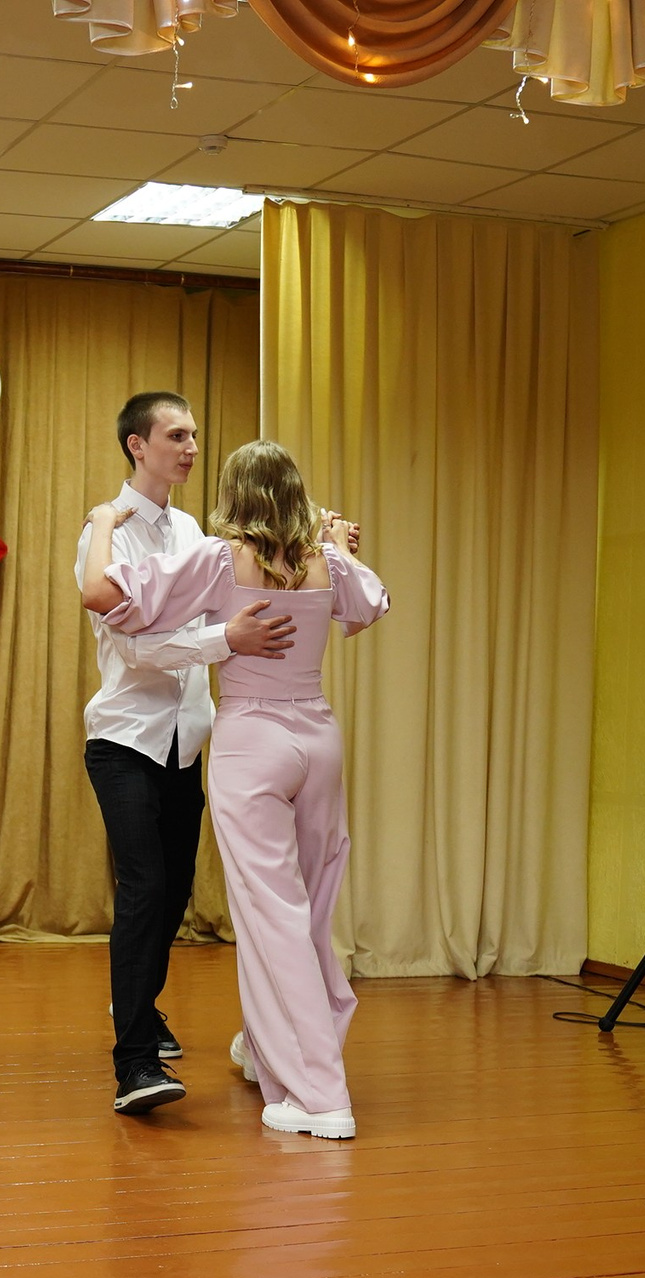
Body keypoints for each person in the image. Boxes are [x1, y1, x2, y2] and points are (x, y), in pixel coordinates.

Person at [78, 440, 387, 1140]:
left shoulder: (221, 558)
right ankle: (264, 1046)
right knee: (310, 906)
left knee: (270, 914)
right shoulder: (326, 561)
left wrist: (102, 526)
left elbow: (104, 596)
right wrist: (337, 543)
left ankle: (318, 1096)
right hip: (320, 741)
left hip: (254, 744)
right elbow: (370, 606)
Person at [78, 391, 298, 1117]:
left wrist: (319, 544)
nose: (192, 446)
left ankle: (138, 1005)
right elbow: (135, 650)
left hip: (185, 744)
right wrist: (220, 641)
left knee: (171, 895)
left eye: (196, 434)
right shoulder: (104, 534)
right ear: (137, 446)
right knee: (143, 889)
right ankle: (134, 1064)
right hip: (124, 739)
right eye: (176, 435)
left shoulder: (198, 532)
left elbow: (240, 604)